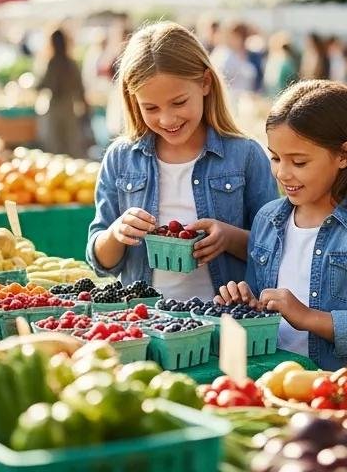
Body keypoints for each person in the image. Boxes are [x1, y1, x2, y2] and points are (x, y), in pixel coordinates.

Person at [214, 79, 347, 376]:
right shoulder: (267, 220)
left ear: (344, 155)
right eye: (276, 158)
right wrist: (246, 304)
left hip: (342, 394)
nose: (283, 173)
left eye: (299, 162)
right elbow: (264, 312)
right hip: (272, 384)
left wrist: (307, 317)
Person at [86, 22, 278, 298]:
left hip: (226, 321)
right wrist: (117, 233)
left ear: (205, 83)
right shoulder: (120, 158)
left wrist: (230, 237)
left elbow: (275, 248)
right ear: (133, 100)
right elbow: (101, 262)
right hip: (145, 324)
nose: (167, 119)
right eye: (151, 107)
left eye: (178, 103)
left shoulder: (245, 155)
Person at [36, 28, 91, 158]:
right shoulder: (70, 63)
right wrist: (85, 108)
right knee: (71, 145)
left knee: (55, 145)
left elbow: (43, 84)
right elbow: (80, 89)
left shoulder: (51, 63)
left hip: (55, 106)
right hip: (68, 107)